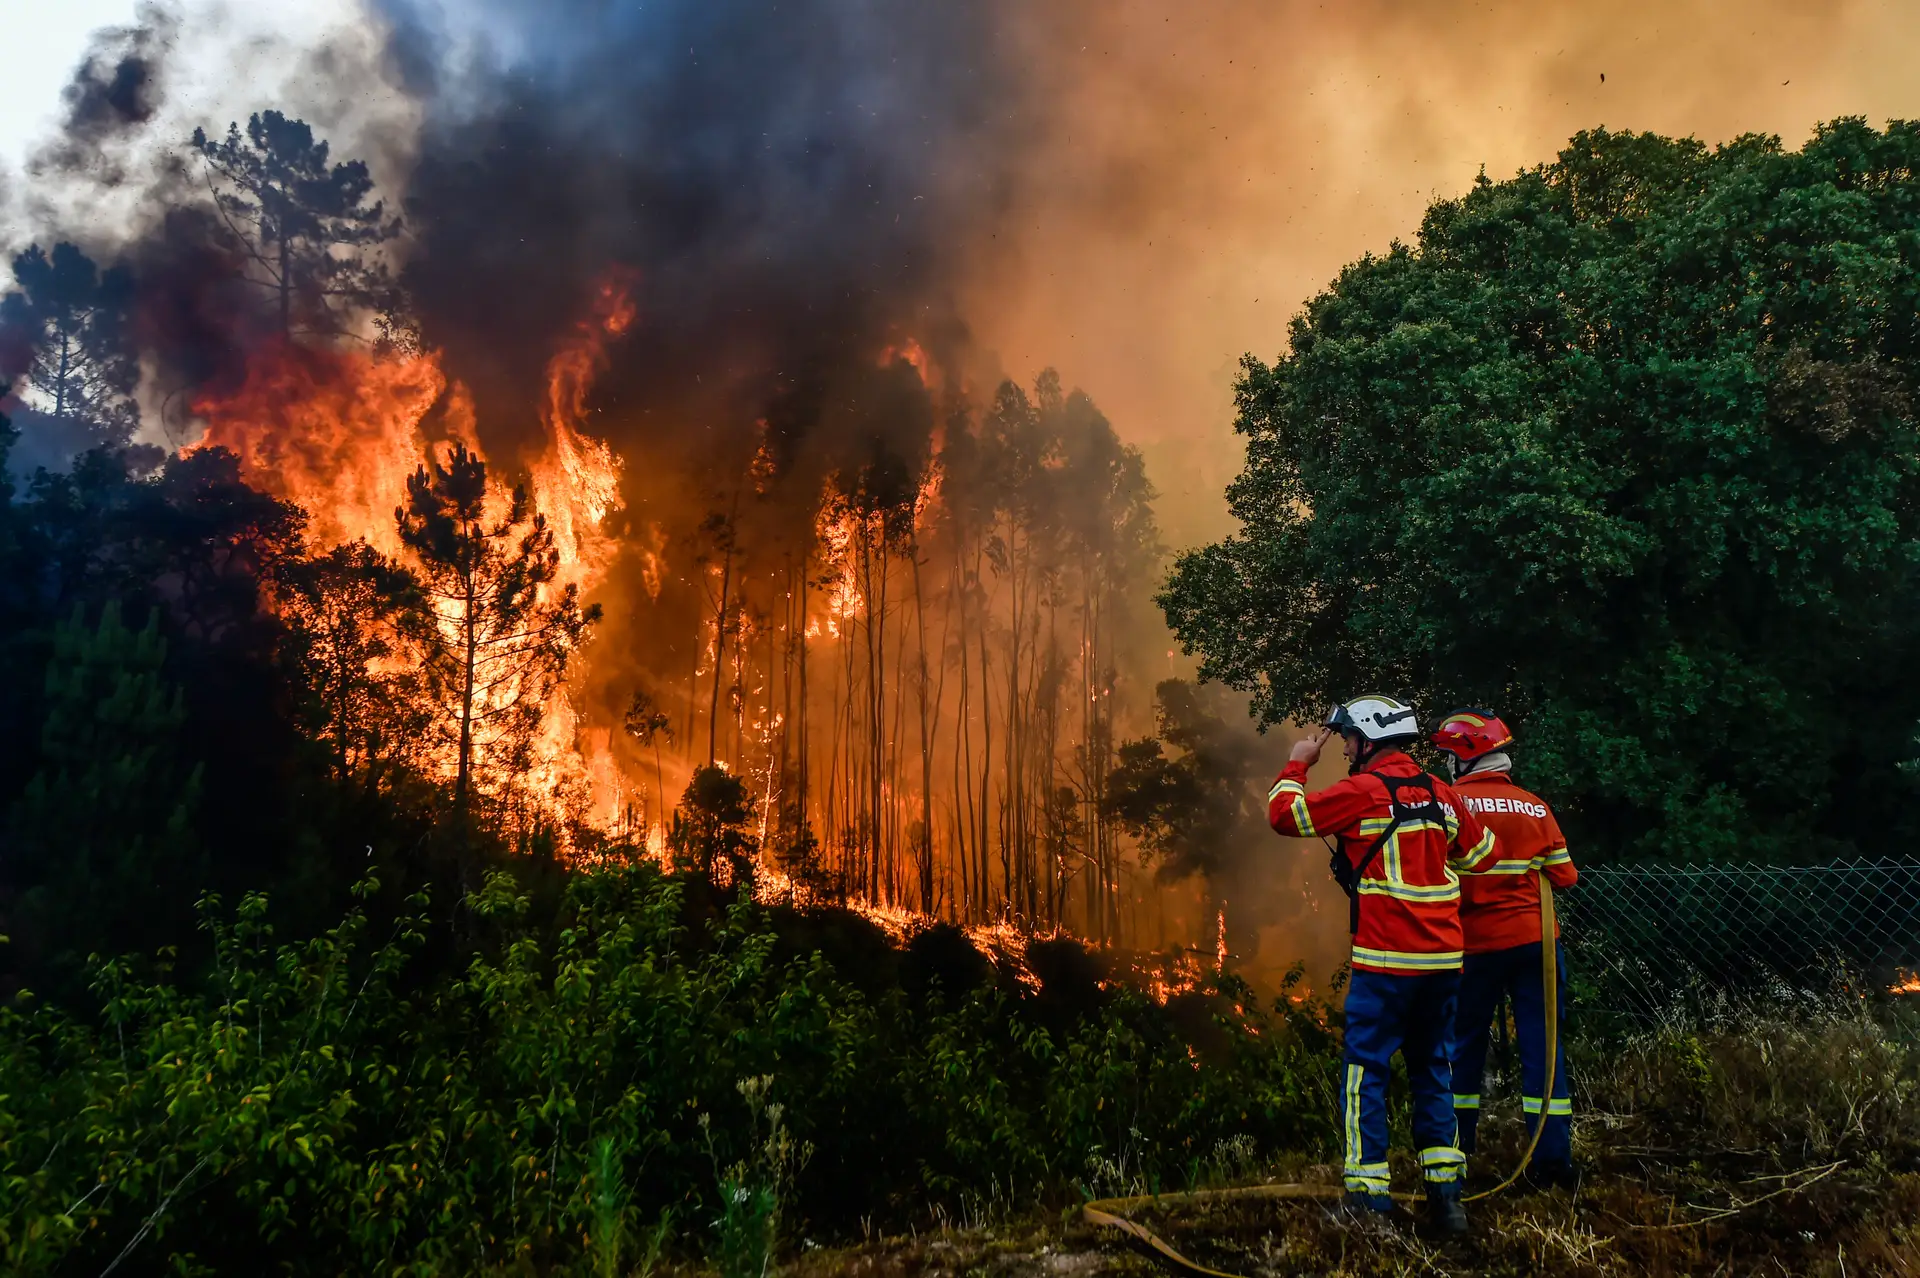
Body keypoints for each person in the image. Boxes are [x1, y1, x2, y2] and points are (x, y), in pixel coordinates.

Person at [1269, 695, 1500, 1234]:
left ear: (1369, 738)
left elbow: (1285, 815)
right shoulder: (1443, 795)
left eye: (1348, 738)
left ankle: (1367, 1199)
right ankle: (1447, 1202)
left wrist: (1299, 760)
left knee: (1365, 1071)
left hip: (1385, 962)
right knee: (1432, 1071)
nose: (1346, 747)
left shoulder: (1361, 792)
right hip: (1444, 963)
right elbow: (1481, 855)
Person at [1429, 708, 1578, 1189]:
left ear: (1464, 758)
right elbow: (1566, 877)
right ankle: (1552, 1160)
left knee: (1462, 1049)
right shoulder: (1537, 806)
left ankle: (1456, 1155)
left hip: (1474, 948)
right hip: (1537, 945)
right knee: (1544, 1050)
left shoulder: (1451, 805)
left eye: (1450, 755)